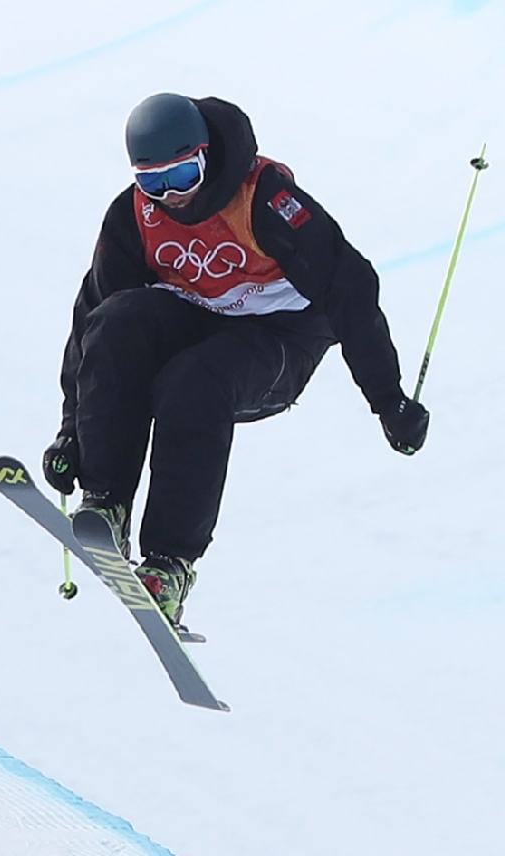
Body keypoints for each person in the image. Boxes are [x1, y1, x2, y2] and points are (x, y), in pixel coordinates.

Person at [43, 93, 429, 624]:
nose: (171, 195)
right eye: (152, 181)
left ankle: (170, 564)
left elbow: (351, 290)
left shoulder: (263, 201)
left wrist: (387, 399)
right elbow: (91, 325)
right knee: (118, 320)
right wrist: (73, 435)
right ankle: (107, 501)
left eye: (182, 175)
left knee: (193, 381)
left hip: (279, 339)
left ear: (206, 156)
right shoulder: (133, 216)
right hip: (199, 318)